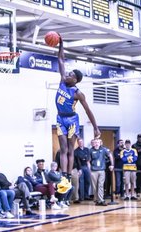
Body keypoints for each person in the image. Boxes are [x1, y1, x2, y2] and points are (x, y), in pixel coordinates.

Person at [55, 34, 100, 180]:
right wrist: (61, 44)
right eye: (68, 73)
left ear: (75, 80)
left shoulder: (78, 93)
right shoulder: (62, 81)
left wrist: (95, 127)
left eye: (70, 74)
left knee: (70, 149)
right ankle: (63, 176)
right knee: (62, 148)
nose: (67, 74)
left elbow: (88, 110)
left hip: (72, 120)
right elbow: (61, 59)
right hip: (60, 118)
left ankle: (68, 174)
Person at [88, 139, 114, 206]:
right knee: (94, 186)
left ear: (100, 143)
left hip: (102, 170)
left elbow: (110, 155)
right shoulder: (90, 150)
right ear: (93, 143)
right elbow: (88, 161)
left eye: (98, 142)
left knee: (100, 185)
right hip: (93, 170)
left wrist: (112, 165)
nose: (96, 144)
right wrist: (89, 170)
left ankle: (101, 200)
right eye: (95, 142)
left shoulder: (103, 149)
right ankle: (96, 200)